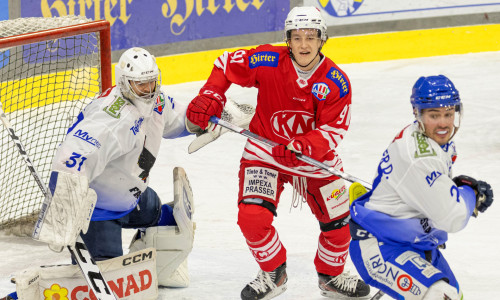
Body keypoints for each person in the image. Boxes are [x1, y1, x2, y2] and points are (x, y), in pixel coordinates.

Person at [185, 6, 370, 300]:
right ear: (288, 39)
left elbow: (334, 130)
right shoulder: (268, 59)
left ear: (323, 39)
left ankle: (331, 276)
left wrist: (303, 146)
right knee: (251, 218)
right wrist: (212, 93)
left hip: (313, 160)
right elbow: (224, 63)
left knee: (339, 227)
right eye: (297, 37)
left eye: (311, 36)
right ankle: (274, 273)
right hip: (265, 150)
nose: (304, 44)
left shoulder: (336, 81)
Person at [35, 47, 196, 288]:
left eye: (152, 82)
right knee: (106, 285)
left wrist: (206, 117)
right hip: (97, 215)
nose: (149, 90)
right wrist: (63, 213)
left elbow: (181, 118)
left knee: (175, 226)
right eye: (141, 85)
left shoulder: (156, 102)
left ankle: (151, 257)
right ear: (124, 83)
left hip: (135, 197)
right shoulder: (108, 119)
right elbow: (71, 156)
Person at [349, 75, 494, 299]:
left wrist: (449, 190)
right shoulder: (418, 156)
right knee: (442, 296)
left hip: (417, 242)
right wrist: (470, 195)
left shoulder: (434, 140)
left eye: (448, 114)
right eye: (434, 115)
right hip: (381, 246)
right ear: (418, 114)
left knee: (457, 296)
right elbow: (451, 218)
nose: (444, 123)